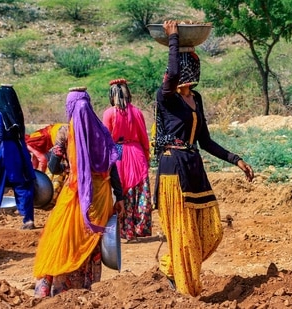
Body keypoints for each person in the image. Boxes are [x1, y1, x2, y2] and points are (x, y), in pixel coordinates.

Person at [154, 20, 254, 297]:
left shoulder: (195, 98)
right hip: (174, 169)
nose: (193, 67)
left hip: (194, 168)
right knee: (184, 234)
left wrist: (236, 160)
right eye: (190, 61)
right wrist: (173, 39)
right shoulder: (166, 97)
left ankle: (171, 267)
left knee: (211, 232)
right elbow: (172, 72)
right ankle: (185, 290)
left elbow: (205, 140)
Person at [33, 87, 123, 297]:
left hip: (74, 196)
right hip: (100, 198)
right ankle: (86, 288)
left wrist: (61, 159)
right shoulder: (102, 131)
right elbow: (114, 165)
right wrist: (120, 196)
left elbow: (54, 168)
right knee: (90, 241)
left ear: (69, 106)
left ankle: (56, 289)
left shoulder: (65, 132)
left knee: (62, 237)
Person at [103, 78, 152, 242]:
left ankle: (126, 231)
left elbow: (106, 140)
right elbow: (144, 138)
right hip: (137, 152)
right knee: (139, 191)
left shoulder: (109, 113)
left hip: (118, 153)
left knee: (123, 191)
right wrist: (147, 156)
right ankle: (139, 228)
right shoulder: (137, 112)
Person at [0, 84, 35, 231]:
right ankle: (28, 219)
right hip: (18, 150)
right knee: (22, 185)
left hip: (3, 153)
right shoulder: (16, 113)